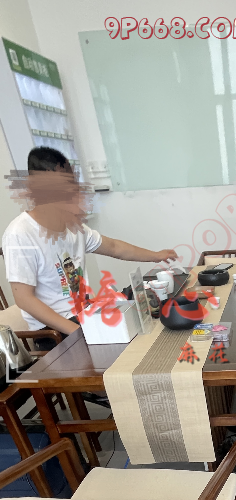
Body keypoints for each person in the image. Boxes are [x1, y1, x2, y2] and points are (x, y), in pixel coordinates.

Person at [2, 147, 178, 349]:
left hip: (86, 315)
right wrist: (78, 331)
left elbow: (114, 247)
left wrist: (156, 256)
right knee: (132, 342)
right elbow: (24, 299)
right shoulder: (20, 233)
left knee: (143, 313)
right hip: (55, 332)